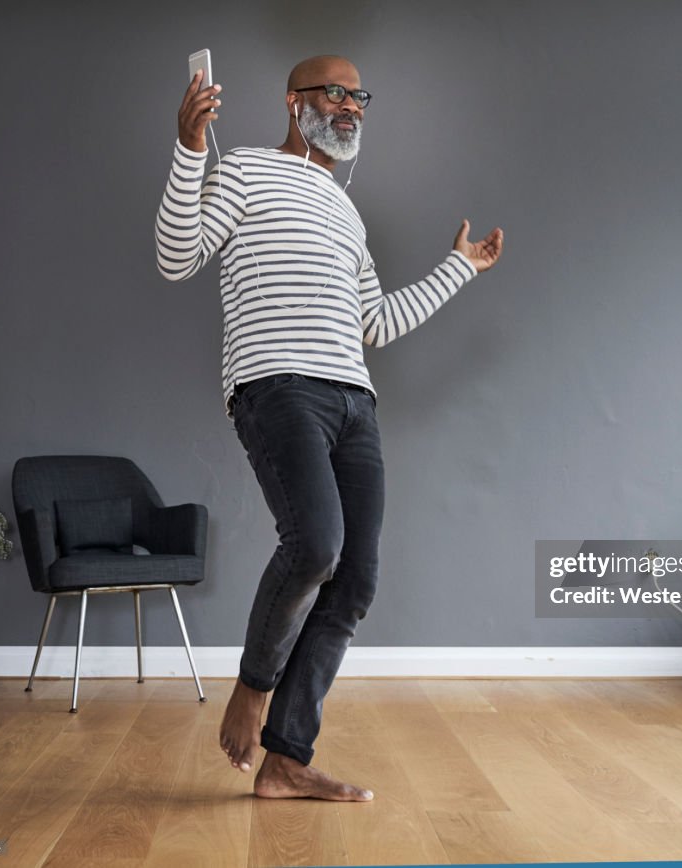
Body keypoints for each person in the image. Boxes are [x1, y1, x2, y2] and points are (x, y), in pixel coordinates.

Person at [155, 54, 503, 801]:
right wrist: (189, 150)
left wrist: (459, 269)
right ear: (294, 101)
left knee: (356, 582)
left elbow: (375, 323)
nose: (352, 107)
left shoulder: (347, 210)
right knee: (315, 544)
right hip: (276, 384)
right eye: (335, 93)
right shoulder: (243, 169)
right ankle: (254, 687)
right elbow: (177, 256)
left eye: (360, 98)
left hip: (355, 400)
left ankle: (286, 759)